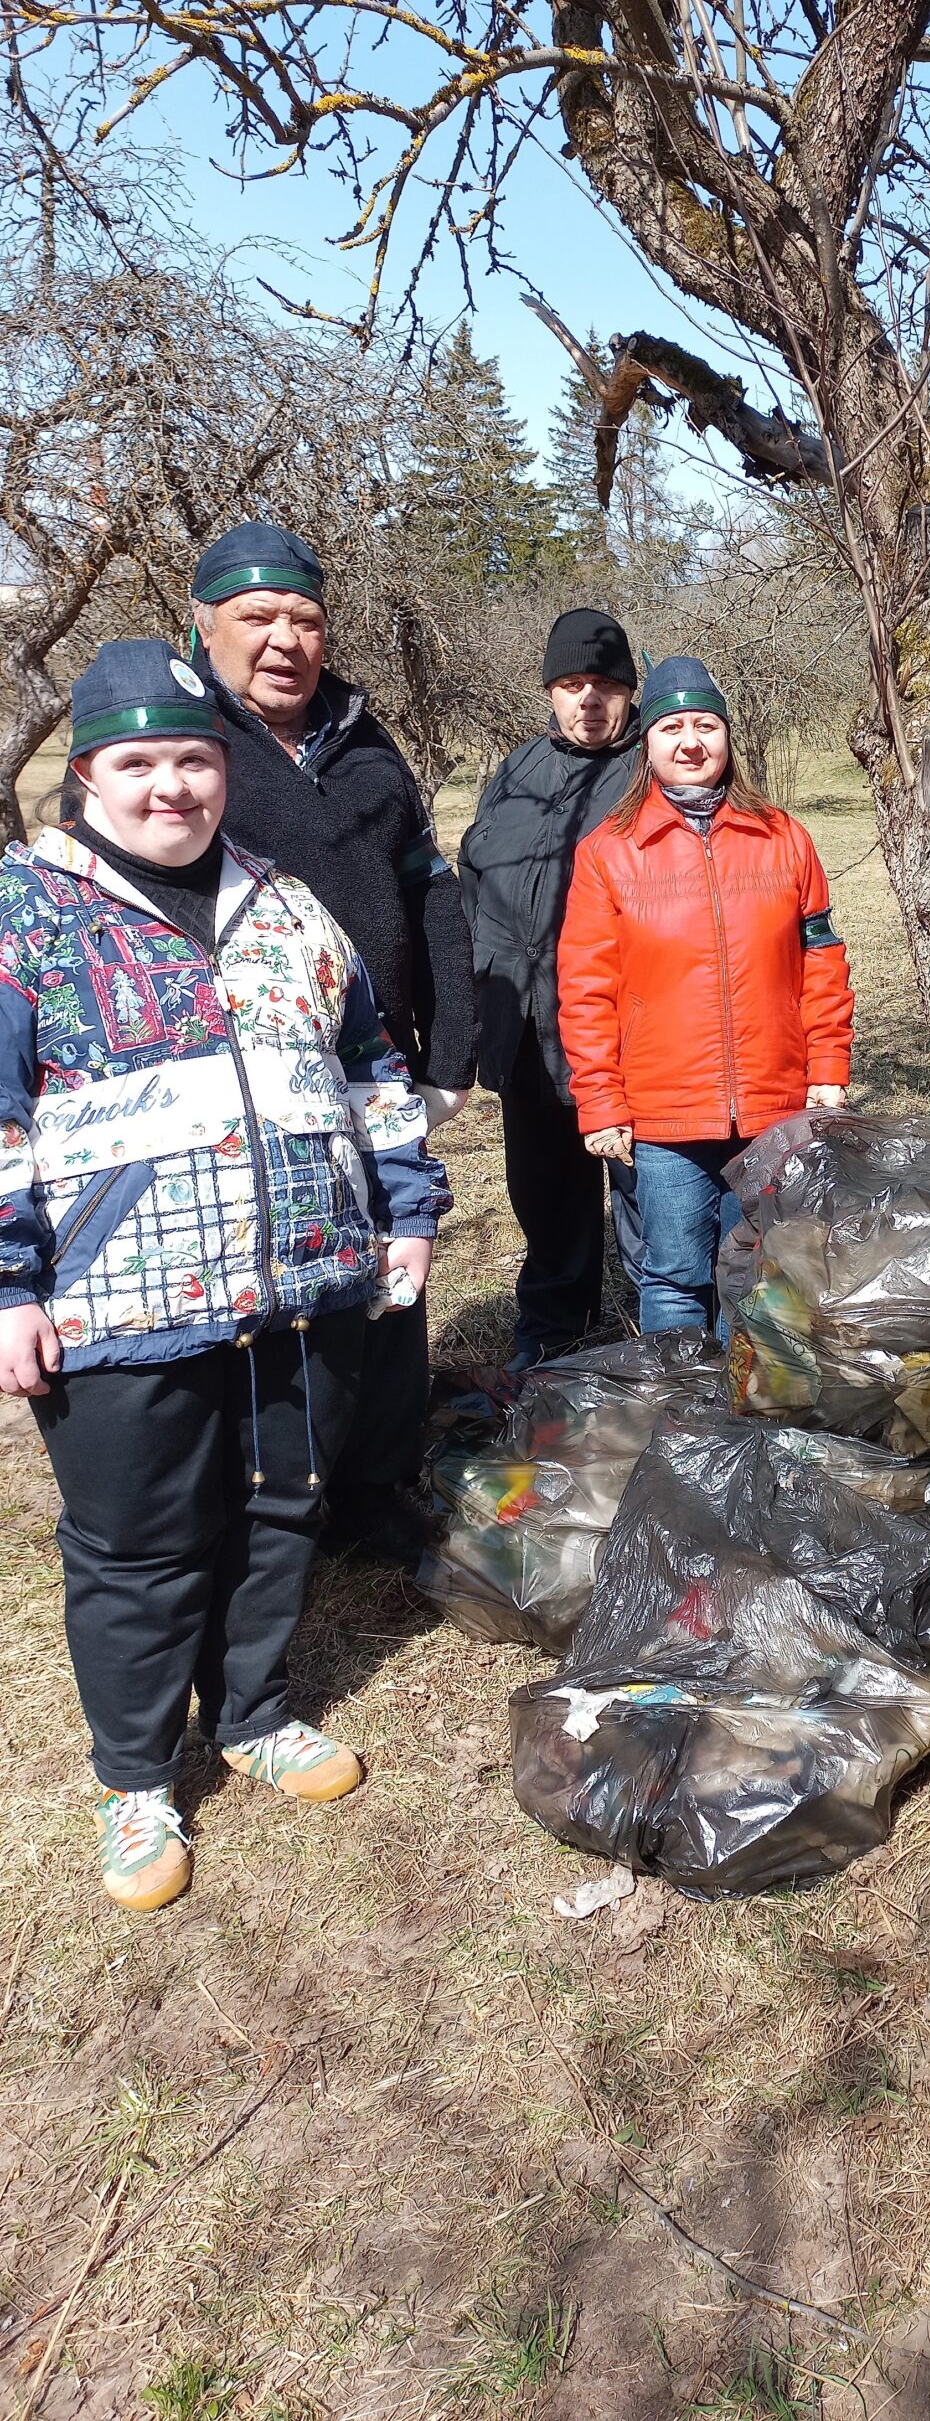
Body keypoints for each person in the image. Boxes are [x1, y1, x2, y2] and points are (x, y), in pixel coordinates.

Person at [0, 641, 450, 1912]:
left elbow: (371, 1071)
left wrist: (407, 1210)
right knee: (138, 1546)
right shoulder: (25, 912)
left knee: (281, 1507)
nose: (172, 786)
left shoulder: (287, 904)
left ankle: (252, 1712)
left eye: (194, 758)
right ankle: (138, 1779)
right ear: (87, 772)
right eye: (139, 761)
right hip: (118, 1305)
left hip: (302, 1284)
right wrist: (9, 1285)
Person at [183, 521, 474, 1563]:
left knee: (392, 1266)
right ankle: (261, 1505)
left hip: (379, 1065)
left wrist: (451, 1050)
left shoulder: (364, 740)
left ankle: (374, 1484)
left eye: (305, 619)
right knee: (262, 1280)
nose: (284, 640)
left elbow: (427, 888)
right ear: (203, 625)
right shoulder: (186, 748)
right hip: (242, 1079)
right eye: (257, 617)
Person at [557, 656, 855, 1330]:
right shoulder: (609, 852)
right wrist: (601, 1104)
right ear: (647, 745)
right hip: (664, 1114)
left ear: (727, 737)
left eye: (706, 726)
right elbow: (585, 990)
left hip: (775, 1106)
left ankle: (743, 1397)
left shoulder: (783, 838)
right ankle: (679, 1399)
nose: (690, 743)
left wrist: (828, 1069)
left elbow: (822, 964)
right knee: (674, 1278)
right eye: (672, 728)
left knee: (760, 1277)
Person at [461, 610, 650, 1367]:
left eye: (605, 684)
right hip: (526, 1030)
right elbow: (474, 883)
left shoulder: (652, 772)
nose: (589, 700)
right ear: (550, 691)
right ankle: (552, 1337)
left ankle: (668, 1338)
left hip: (623, 1033)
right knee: (544, 1198)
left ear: (630, 691)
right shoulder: (517, 773)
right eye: (572, 685)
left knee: (648, 1201)